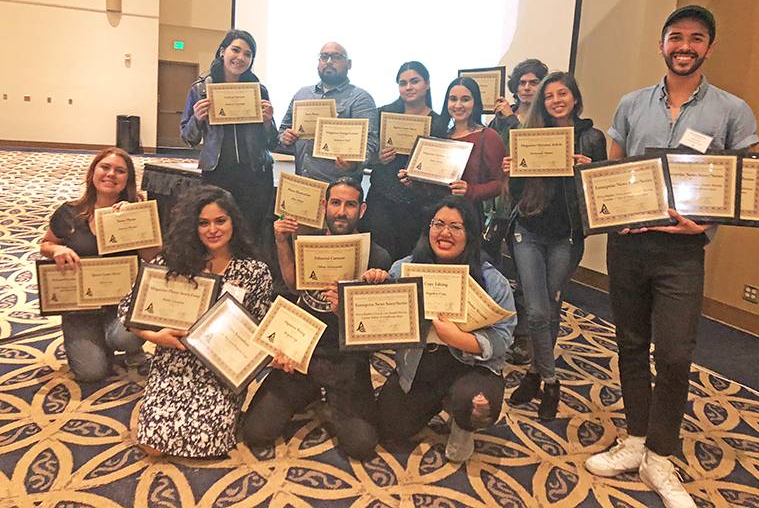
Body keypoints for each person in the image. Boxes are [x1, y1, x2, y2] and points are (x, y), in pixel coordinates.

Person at [585, 5, 759, 508]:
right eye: (676, 37)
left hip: (682, 250)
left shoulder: (731, 110)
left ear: (709, 46)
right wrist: (611, 210)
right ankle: (636, 437)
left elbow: (742, 183)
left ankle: (661, 455)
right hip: (629, 245)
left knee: (677, 353)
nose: (685, 46)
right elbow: (612, 171)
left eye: (696, 39)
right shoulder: (631, 104)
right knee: (631, 343)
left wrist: (705, 224)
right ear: (661, 45)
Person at [242, 177, 391, 460]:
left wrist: (346, 309)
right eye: (335, 203)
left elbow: (376, 329)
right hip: (303, 353)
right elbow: (294, 284)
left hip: (347, 360)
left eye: (350, 205)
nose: (341, 211)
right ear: (325, 206)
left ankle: (334, 396)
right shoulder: (308, 243)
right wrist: (281, 241)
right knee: (255, 432)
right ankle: (310, 391)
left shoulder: (378, 257)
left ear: (361, 210)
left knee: (362, 445)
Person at [118, 186, 273, 458]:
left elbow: (260, 329)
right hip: (175, 360)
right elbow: (127, 312)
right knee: (152, 446)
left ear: (233, 222)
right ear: (193, 226)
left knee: (209, 443)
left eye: (220, 221)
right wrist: (156, 337)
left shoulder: (255, 271)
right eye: (203, 223)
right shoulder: (172, 261)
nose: (212, 229)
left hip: (222, 369)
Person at [365, 196, 516, 463]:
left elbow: (503, 339)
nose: (445, 233)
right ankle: (433, 403)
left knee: (474, 404)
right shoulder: (405, 268)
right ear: (429, 229)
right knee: (390, 429)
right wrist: (374, 284)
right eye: (439, 224)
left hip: (469, 367)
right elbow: (380, 317)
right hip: (418, 368)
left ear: (470, 233)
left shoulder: (492, 280)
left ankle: (463, 423)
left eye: (456, 227)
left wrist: (459, 338)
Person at [503, 72, 607, 420]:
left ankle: (533, 373)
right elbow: (516, 195)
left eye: (563, 94)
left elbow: (599, 193)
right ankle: (550, 380)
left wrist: (590, 171)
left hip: (567, 236)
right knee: (535, 310)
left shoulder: (592, 139)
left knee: (550, 305)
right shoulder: (528, 136)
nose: (556, 100)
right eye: (549, 96)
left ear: (575, 98)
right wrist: (513, 172)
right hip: (529, 231)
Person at [40, 147, 153, 382]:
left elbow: (153, 258)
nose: (111, 174)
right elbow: (46, 244)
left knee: (127, 338)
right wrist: (57, 249)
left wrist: (136, 222)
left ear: (127, 180)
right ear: (93, 172)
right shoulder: (69, 212)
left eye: (120, 171)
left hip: (120, 304)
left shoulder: (133, 213)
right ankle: (97, 341)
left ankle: (128, 347)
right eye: (105, 167)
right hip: (80, 309)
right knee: (91, 373)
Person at [180, 29, 278, 243]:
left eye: (248, 54)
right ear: (222, 51)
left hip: (256, 174)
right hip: (218, 173)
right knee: (219, 231)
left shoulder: (259, 90)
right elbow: (188, 138)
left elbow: (272, 140)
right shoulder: (201, 89)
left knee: (252, 232)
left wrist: (268, 122)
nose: (241, 57)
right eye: (236, 50)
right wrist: (197, 119)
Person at [488, 58, 549, 366]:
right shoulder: (501, 116)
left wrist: (510, 119)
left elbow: (527, 147)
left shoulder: (546, 118)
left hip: (530, 204)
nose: (527, 88)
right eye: (522, 83)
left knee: (526, 274)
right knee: (495, 267)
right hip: (500, 201)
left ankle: (524, 336)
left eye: (534, 82)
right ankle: (497, 326)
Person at [362, 61, 449, 260]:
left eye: (414, 81)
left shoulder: (439, 122)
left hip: (418, 205)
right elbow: (365, 155)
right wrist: (377, 159)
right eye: (403, 83)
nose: (408, 87)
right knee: (379, 260)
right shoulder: (382, 113)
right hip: (381, 200)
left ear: (427, 84)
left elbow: (440, 168)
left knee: (410, 261)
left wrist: (419, 179)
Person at [399, 77, 505, 217]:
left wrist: (471, 191)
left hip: (468, 217)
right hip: (433, 213)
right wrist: (412, 181)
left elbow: (500, 184)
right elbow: (432, 188)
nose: (458, 105)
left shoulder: (488, 136)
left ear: (475, 103)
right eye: (453, 99)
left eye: (465, 99)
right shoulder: (439, 136)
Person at [279, 42, 378, 183]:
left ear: (349, 64)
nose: (329, 62)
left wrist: (354, 162)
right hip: (302, 183)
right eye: (324, 57)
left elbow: (371, 142)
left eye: (336, 57)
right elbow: (282, 131)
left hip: (338, 191)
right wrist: (285, 137)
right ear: (318, 62)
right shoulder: (302, 94)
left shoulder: (361, 98)